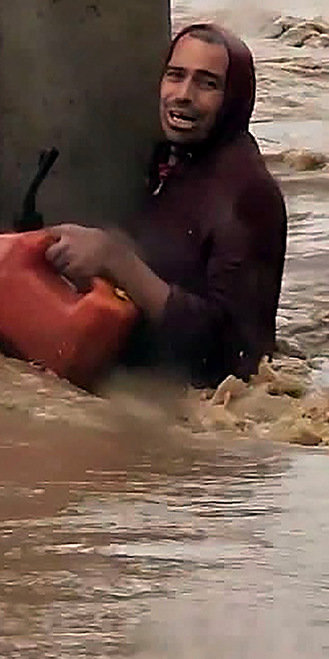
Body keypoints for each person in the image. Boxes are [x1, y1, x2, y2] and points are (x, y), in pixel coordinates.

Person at [45, 23, 287, 389]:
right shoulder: (174, 160)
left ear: (234, 99)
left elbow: (235, 357)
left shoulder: (249, 195)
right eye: (175, 76)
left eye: (207, 83)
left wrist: (117, 260)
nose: (183, 95)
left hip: (206, 416)